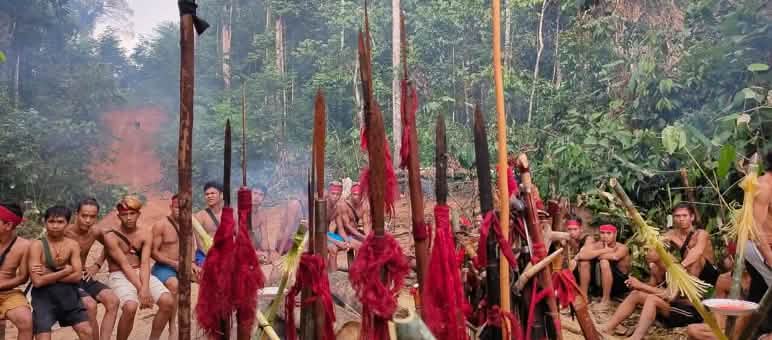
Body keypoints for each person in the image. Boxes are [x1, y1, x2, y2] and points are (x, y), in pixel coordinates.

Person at [103, 196, 173, 340]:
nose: (128, 218)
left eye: (132, 214)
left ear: (138, 214)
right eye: (124, 214)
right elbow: (124, 264)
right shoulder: (111, 236)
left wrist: (145, 287)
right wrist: (142, 289)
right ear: (118, 216)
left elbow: (145, 262)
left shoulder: (145, 233)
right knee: (130, 307)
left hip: (142, 272)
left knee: (168, 301)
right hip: (119, 274)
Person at [600, 249, 703, 339]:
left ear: (661, 251)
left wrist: (641, 285)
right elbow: (652, 287)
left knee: (652, 299)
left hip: (688, 311)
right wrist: (635, 285)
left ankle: (636, 338)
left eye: (650, 250)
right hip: (669, 308)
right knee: (636, 294)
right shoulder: (655, 268)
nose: (646, 253)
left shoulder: (675, 268)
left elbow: (670, 296)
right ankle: (608, 327)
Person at [29, 206, 93, 339]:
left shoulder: (72, 245)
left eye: (60, 222)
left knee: (87, 331)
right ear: (45, 222)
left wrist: (48, 274)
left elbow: (76, 277)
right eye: (51, 222)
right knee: (43, 337)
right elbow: (37, 281)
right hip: (43, 297)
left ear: (67, 223)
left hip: (68, 294)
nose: (55, 226)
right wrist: (66, 271)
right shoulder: (37, 245)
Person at [64, 198, 119, 340]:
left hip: (83, 276)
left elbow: (110, 245)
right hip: (65, 280)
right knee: (90, 305)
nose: (88, 220)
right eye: (84, 216)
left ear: (97, 217)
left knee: (113, 301)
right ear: (77, 214)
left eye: (92, 217)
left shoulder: (95, 231)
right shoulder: (64, 232)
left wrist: (97, 265)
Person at [150, 193, 200, 340]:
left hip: (183, 265)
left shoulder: (188, 224)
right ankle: (172, 326)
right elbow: (153, 252)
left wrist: (191, 263)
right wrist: (173, 264)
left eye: (183, 208)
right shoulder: (161, 225)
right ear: (171, 207)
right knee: (174, 285)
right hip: (163, 267)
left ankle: (201, 315)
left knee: (206, 277)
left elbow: (191, 246)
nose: (179, 210)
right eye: (177, 207)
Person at [576, 224, 631, 307]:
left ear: (615, 234)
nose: (605, 236)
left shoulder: (622, 247)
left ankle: (606, 299)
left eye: (608, 233)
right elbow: (581, 255)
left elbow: (615, 257)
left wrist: (594, 255)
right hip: (599, 283)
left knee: (604, 261)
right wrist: (604, 250)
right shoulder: (598, 245)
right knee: (584, 262)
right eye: (602, 233)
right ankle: (584, 296)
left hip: (619, 284)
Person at [0, 202, 33, 340]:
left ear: (8, 226)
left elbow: (23, 277)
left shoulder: (24, 246)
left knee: (27, 322)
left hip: (9, 293)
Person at [664, 203, 719, 285]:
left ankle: (688, 290)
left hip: (708, 273)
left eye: (684, 215)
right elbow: (654, 253)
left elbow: (697, 252)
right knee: (658, 259)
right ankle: (661, 287)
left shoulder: (701, 234)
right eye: (677, 216)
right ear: (673, 218)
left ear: (692, 217)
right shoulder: (670, 234)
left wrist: (680, 267)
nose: (681, 219)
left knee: (696, 257)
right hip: (687, 270)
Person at [193, 181, 224, 266]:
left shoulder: (229, 214)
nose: (209, 196)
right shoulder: (200, 216)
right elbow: (200, 244)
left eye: (213, 193)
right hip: (205, 255)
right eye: (207, 194)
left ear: (221, 195)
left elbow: (236, 237)